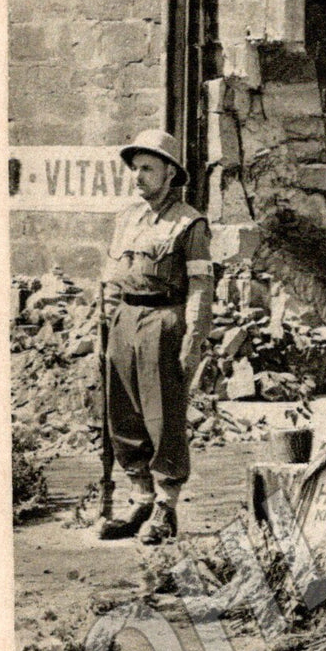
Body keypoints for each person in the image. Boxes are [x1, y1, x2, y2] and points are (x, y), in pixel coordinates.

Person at [97, 130, 213, 544]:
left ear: (169, 173)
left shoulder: (190, 222)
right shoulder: (126, 218)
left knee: (162, 415)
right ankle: (141, 499)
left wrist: (192, 339)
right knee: (123, 412)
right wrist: (108, 318)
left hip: (164, 321)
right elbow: (114, 274)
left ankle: (166, 508)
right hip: (125, 320)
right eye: (135, 168)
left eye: (148, 168)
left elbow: (200, 286)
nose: (138, 176)